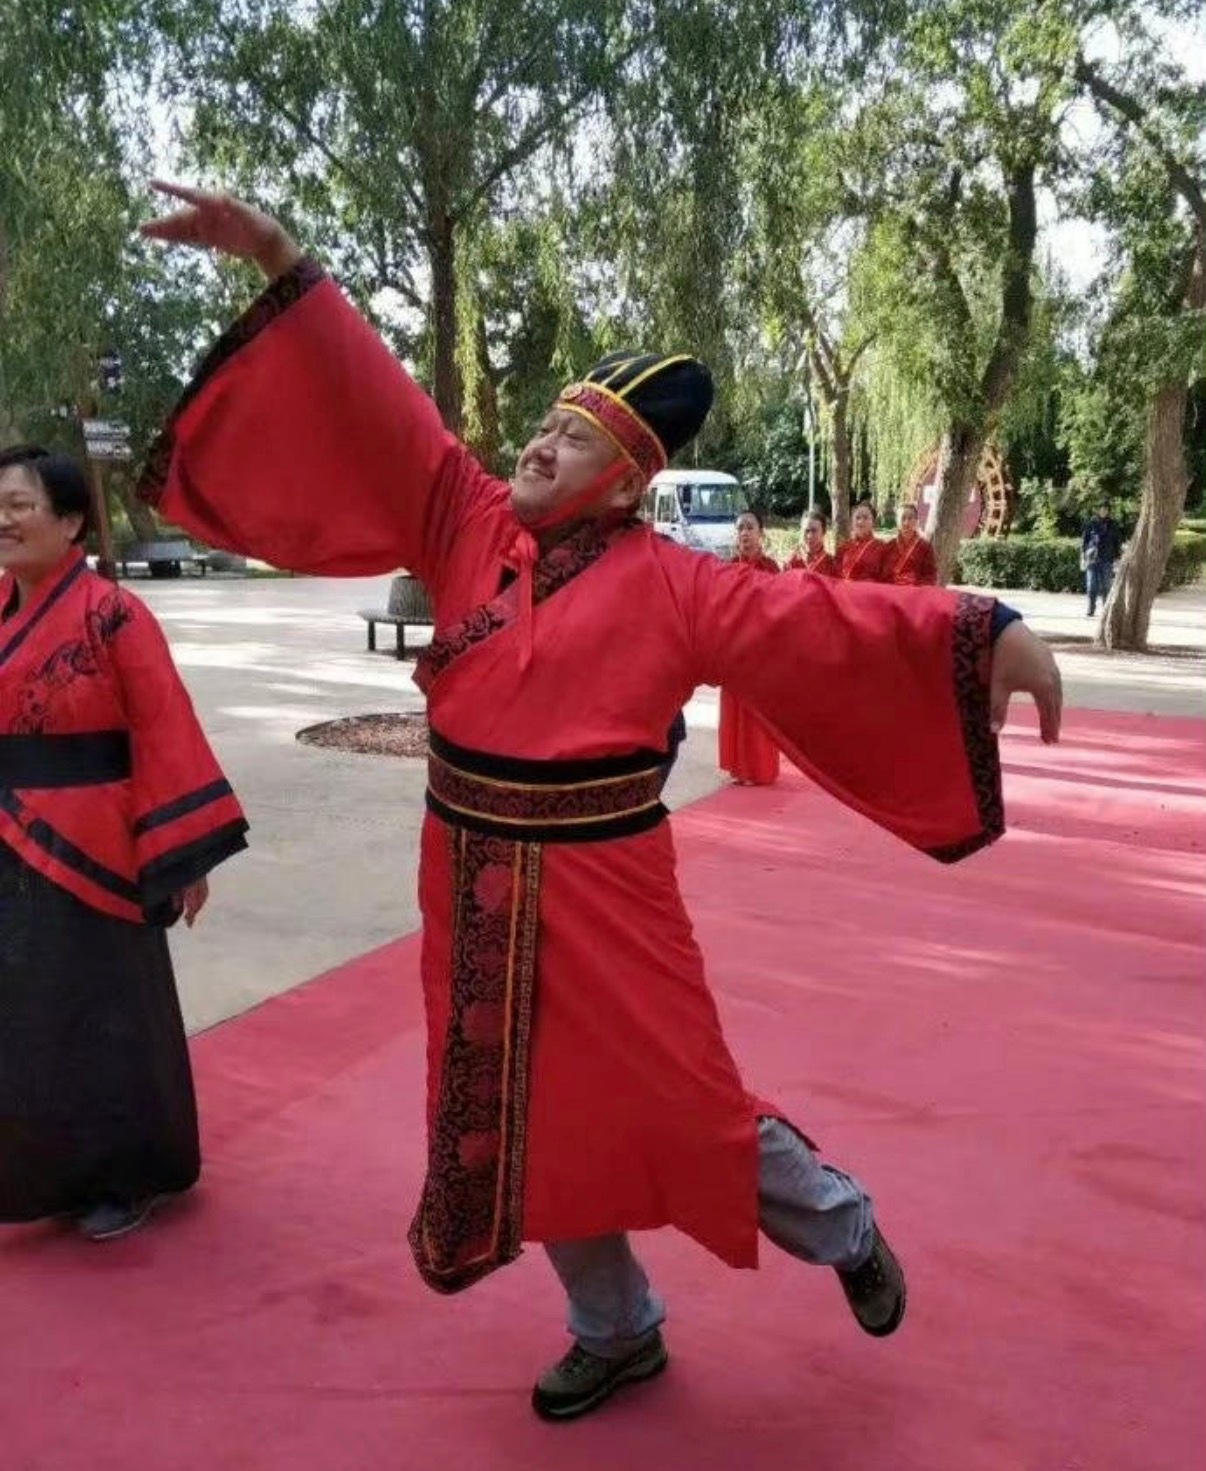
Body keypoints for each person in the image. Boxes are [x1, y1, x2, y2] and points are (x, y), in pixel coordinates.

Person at [138, 183, 1062, 1422]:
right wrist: (273, 250)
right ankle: (616, 1330)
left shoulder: (679, 584)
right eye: (544, 426)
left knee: (687, 1109)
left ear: (627, 486)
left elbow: (820, 620)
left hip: (608, 889)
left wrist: (984, 631)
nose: (537, 446)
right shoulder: (462, 519)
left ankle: (842, 1224)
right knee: (522, 1119)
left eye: (574, 442)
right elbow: (372, 394)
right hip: (469, 875)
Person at [0, 445, 248, 1241]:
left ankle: (126, 1172)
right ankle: (43, 1168)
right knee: (27, 1008)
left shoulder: (114, 613)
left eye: (19, 505)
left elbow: (163, 725)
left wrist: (183, 853)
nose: (3, 521)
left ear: (71, 521)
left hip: (97, 843)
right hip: (7, 835)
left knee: (105, 1009)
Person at [717, 511, 780, 786]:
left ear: (761, 533)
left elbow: (779, 606)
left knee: (758, 712)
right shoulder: (727, 568)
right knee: (735, 708)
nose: (744, 532)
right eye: (740, 528)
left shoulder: (771, 568)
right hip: (734, 647)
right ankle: (739, 767)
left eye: (750, 527)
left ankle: (760, 769)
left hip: (761, 647)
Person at [1081, 502, 1123, 617]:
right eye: (1101, 509)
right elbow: (1084, 541)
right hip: (1092, 559)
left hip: (1107, 559)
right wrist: (1083, 557)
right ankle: (1091, 608)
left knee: (1106, 586)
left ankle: (1106, 609)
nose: (1103, 511)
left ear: (1108, 511)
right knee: (1091, 586)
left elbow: (1117, 542)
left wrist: (1118, 558)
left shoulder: (1113, 524)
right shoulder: (1091, 524)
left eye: (1105, 509)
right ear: (1098, 510)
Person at [882, 502, 938, 587]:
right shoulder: (889, 546)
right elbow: (883, 575)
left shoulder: (925, 547)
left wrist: (915, 584)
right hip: (892, 591)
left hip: (915, 592)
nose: (906, 523)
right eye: (903, 518)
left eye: (910, 518)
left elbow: (930, 576)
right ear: (897, 521)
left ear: (916, 521)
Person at [835, 500, 890, 582]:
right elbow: (835, 575)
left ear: (873, 522)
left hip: (869, 589)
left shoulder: (882, 547)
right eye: (857, 518)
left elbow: (886, 577)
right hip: (846, 589)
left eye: (865, 518)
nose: (861, 522)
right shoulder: (843, 547)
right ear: (852, 522)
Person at [787, 509, 838, 576]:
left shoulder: (831, 565)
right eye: (806, 531)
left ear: (823, 533)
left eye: (814, 531)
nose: (809, 536)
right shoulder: (792, 562)